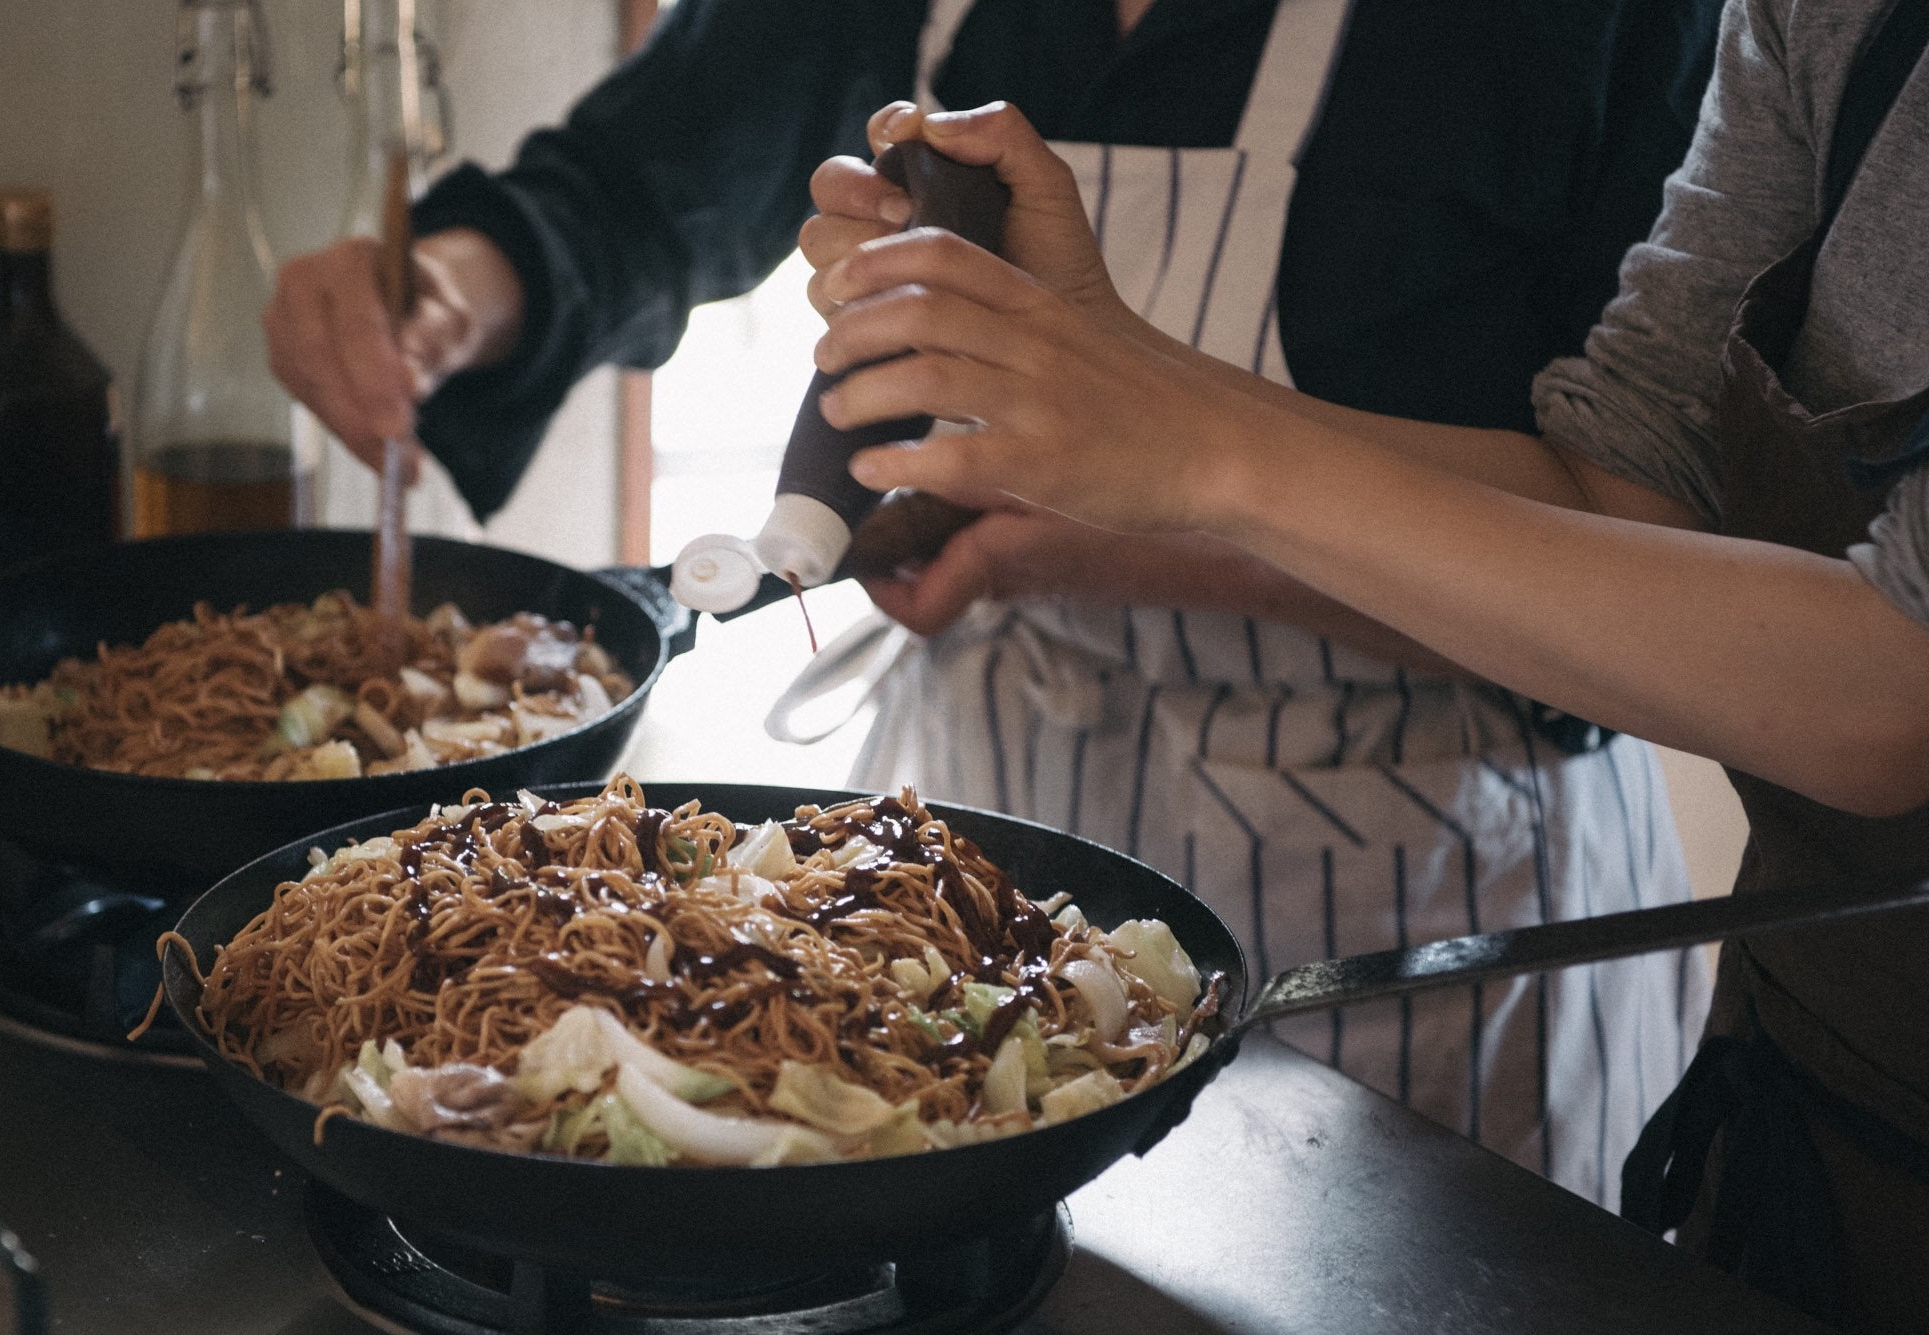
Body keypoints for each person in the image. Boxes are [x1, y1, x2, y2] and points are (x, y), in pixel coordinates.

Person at [264, 0, 1722, 1208]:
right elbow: (640, 183)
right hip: (999, 833)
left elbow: (1649, 555)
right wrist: (458, 285)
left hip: (1423, 887)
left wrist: (1080, 531)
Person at [802, 0, 1929, 1327]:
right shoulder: (1810, 17)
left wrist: (1194, 444)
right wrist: (1127, 377)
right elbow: (1624, 492)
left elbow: (1892, 695)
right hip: (1805, 1081)